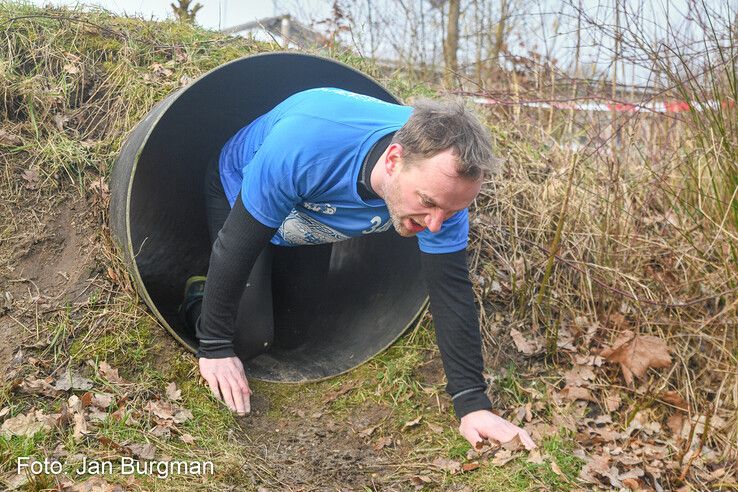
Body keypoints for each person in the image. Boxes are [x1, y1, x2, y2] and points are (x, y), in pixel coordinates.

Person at [180, 87, 536, 450]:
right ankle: (198, 287)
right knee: (248, 339)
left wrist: (472, 403)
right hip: (239, 190)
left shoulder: (443, 199)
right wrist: (215, 347)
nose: (434, 225)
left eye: (451, 210)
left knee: (294, 333)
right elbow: (235, 246)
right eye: (426, 203)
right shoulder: (307, 145)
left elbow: (451, 291)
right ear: (394, 159)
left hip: (309, 222)